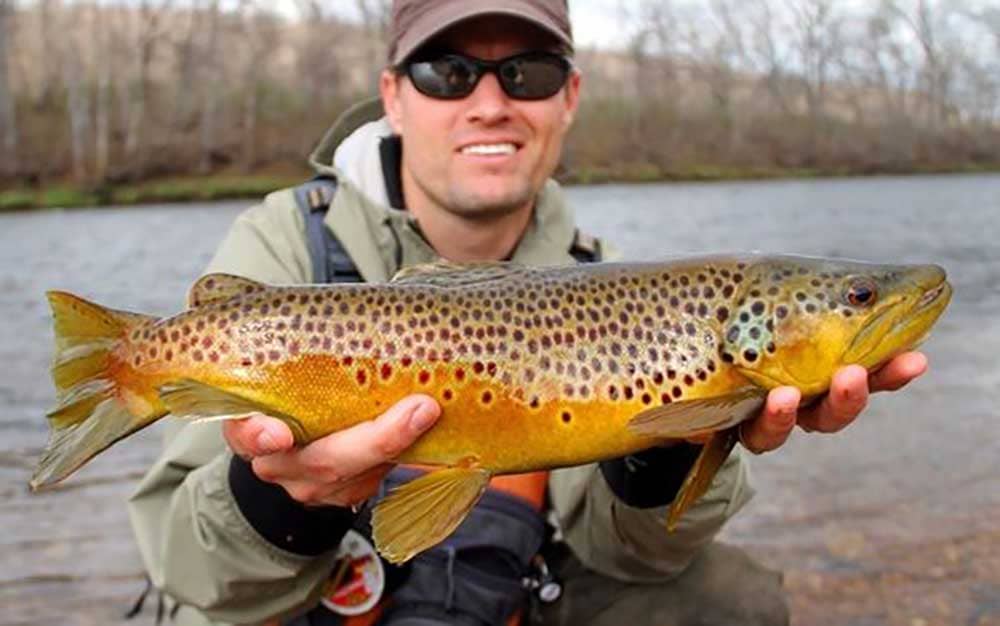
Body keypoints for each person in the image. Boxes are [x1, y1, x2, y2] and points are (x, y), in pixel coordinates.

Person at [127, 2, 930, 625]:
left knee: (729, 596)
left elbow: (636, 558)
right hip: (324, 586)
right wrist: (280, 498)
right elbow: (189, 569)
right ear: (392, 97)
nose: (489, 103)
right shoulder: (281, 247)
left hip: (525, 573)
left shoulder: (608, 280)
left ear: (569, 98)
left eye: (528, 73)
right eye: (447, 72)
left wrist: (664, 454)